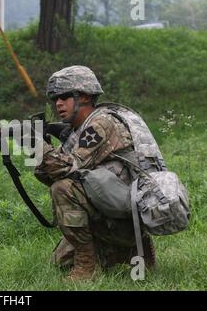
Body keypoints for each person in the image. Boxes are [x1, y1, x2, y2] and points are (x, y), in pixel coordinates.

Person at [35, 65, 155, 281]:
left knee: (63, 188)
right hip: (112, 211)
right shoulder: (76, 131)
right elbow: (46, 174)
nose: (58, 103)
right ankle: (129, 252)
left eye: (64, 96)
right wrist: (42, 144)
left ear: (84, 97)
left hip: (125, 217)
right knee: (60, 262)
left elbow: (64, 169)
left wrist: (35, 143)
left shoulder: (101, 124)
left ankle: (88, 268)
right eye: (55, 99)